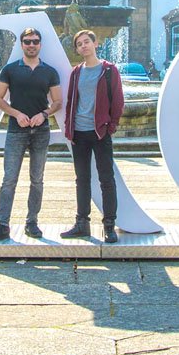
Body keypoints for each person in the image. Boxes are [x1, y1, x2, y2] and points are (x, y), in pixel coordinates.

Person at [0, 27, 62, 242]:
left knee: (37, 180)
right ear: (21, 44)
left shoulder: (50, 71)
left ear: (40, 44)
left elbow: (57, 102)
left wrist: (44, 114)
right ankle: (2, 225)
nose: (31, 45)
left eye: (35, 41)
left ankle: (32, 222)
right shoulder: (10, 69)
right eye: (27, 41)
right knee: (9, 179)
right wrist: (16, 113)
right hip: (16, 131)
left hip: (41, 131)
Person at [61, 30, 124, 243]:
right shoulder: (76, 72)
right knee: (82, 179)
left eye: (87, 42)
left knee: (106, 179)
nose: (83, 46)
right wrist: (69, 128)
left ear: (95, 43)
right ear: (77, 49)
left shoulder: (108, 70)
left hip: (100, 132)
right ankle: (82, 223)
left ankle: (109, 225)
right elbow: (71, 101)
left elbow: (118, 101)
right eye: (79, 44)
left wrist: (111, 126)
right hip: (79, 132)